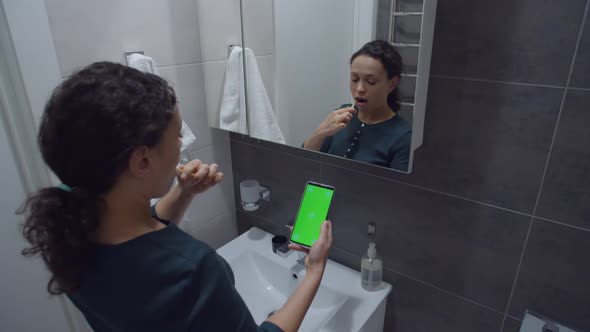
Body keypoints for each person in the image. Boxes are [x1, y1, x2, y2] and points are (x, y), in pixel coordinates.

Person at [18, 62, 332, 332]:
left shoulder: (66, 225)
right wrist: (314, 271)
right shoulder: (192, 269)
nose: (181, 143)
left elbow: (136, 241)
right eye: (178, 134)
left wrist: (183, 193)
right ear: (141, 161)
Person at [303, 40, 412, 171]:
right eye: (354, 79)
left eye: (371, 81)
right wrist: (320, 132)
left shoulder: (403, 137)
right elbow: (303, 164)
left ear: (392, 84)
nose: (359, 88)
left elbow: (399, 190)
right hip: (322, 191)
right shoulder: (341, 115)